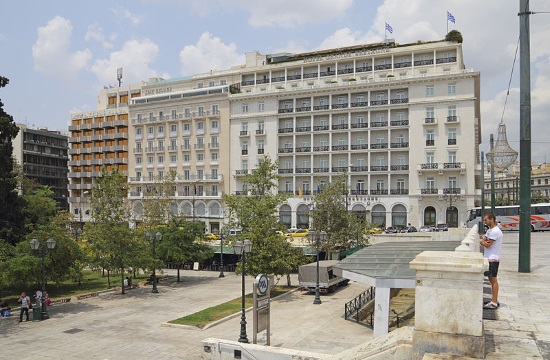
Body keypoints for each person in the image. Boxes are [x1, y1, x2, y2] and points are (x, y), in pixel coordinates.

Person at [480, 213, 503, 309]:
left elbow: (487, 244)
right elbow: (484, 240)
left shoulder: (495, 232)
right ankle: (493, 299)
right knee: (490, 279)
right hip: (488, 257)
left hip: (493, 258)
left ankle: (494, 302)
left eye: (486, 220)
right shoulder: (490, 231)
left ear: (492, 219)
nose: (485, 222)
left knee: (493, 280)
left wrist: (483, 242)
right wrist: (483, 241)